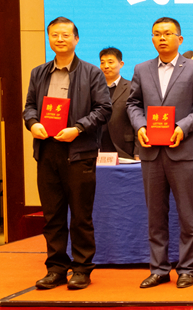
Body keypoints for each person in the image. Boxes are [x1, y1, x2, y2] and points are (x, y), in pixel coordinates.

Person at [23, 17, 112, 290]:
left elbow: (104, 109)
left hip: (79, 151)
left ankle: (82, 269)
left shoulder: (91, 73)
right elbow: (29, 107)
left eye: (65, 35)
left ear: (76, 39)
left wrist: (78, 128)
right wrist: (33, 123)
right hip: (47, 150)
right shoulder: (39, 72)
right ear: (49, 38)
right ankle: (56, 269)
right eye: (54, 35)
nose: (59, 39)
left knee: (81, 216)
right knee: (52, 216)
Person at [127, 17, 193, 289]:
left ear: (180, 38)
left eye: (167, 33)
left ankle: (187, 268)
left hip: (182, 150)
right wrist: (140, 126)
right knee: (155, 215)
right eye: (157, 34)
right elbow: (132, 104)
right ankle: (159, 269)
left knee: (187, 215)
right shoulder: (141, 69)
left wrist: (183, 127)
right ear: (152, 39)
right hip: (151, 152)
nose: (162, 38)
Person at [98, 47, 136, 159]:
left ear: (121, 64)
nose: (106, 66)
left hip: (125, 149)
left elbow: (138, 120)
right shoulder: (94, 89)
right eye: (102, 62)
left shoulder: (132, 88)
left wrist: (138, 152)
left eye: (110, 62)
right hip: (99, 148)